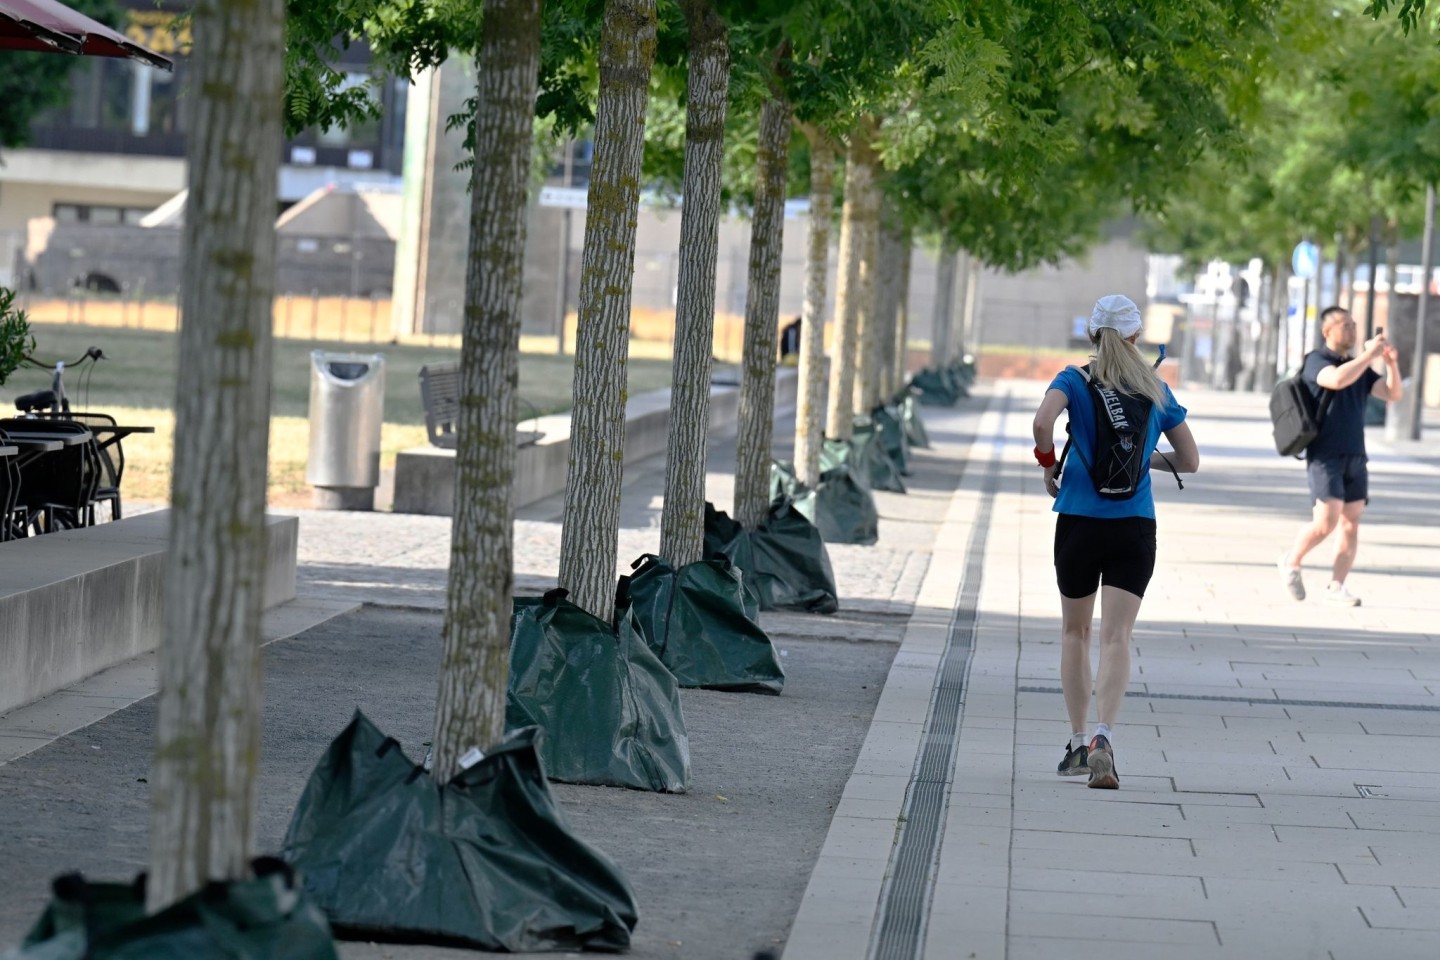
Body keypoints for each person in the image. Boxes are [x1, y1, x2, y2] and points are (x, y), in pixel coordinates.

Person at [1032, 294, 1200, 789]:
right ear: (1134, 338)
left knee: (1075, 633)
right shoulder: (1155, 388)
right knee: (1117, 637)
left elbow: (1043, 424)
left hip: (1080, 522)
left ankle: (1079, 742)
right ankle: (1106, 734)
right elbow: (1189, 460)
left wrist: (1049, 465)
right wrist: (1141, 455)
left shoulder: (1073, 380)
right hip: (1134, 525)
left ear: (1093, 336)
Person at [1277, 306, 1402, 606]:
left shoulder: (1358, 366)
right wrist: (1368, 357)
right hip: (1325, 453)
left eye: (1353, 324)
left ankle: (1337, 585)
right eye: (1344, 324)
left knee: (1351, 521)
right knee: (1326, 521)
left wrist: (1391, 365)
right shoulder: (1316, 360)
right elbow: (1333, 380)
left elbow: (1391, 394)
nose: (1351, 329)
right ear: (1327, 331)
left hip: (1356, 454)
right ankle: (1291, 560)